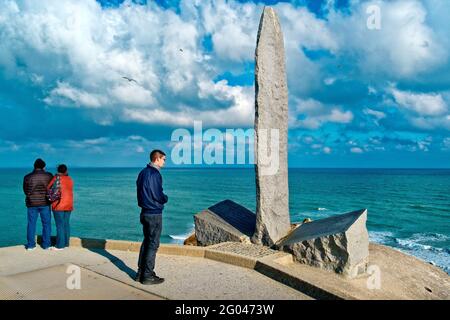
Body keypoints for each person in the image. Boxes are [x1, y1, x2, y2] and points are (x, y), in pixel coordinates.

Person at [135, 149, 168, 285]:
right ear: (157, 159)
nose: (164, 162)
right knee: (153, 244)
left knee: (147, 242)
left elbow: (140, 190)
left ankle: (141, 273)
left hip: (144, 212)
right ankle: (147, 276)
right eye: (163, 159)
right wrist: (165, 198)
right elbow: (157, 194)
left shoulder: (142, 172)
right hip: (153, 213)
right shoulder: (155, 174)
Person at [23, 158, 53, 250]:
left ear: (34, 166)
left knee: (31, 224)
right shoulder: (49, 176)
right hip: (45, 203)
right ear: (44, 166)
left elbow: (25, 190)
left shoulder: (27, 177)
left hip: (32, 203)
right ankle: (46, 245)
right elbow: (52, 188)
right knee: (46, 224)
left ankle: (31, 245)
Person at [48, 164, 74, 251]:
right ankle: (66, 243)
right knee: (66, 224)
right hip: (69, 204)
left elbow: (49, 188)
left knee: (59, 225)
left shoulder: (56, 178)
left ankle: (60, 246)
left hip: (59, 205)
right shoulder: (70, 179)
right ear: (66, 170)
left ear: (58, 170)